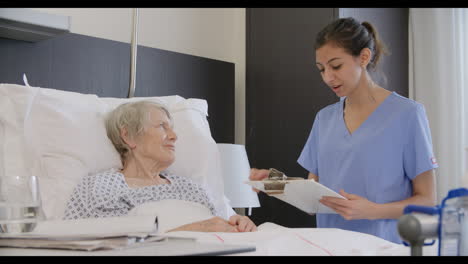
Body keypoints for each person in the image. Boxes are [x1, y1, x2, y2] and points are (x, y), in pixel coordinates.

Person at [249, 17, 437, 244]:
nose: (328, 77)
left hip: (384, 246)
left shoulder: (407, 114)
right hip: (331, 245)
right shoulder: (324, 118)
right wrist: (274, 183)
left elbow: (427, 200)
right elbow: (314, 198)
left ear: (364, 57)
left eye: (336, 66)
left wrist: (372, 210)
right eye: (321, 69)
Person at [64, 100, 257, 233]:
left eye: (172, 128)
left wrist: (239, 225)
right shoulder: (98, 187)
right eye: (162, 127)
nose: (174, 136)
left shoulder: (191, 189)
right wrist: (193, 231)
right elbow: (83, 244)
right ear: (128, 136)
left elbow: (218, 230)